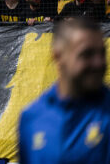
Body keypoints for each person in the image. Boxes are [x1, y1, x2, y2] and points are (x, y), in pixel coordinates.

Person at [17, 17, 110, 163]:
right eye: (87, 54)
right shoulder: (32, 117)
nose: (99, 63)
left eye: (102, 53)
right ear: (58, 56)